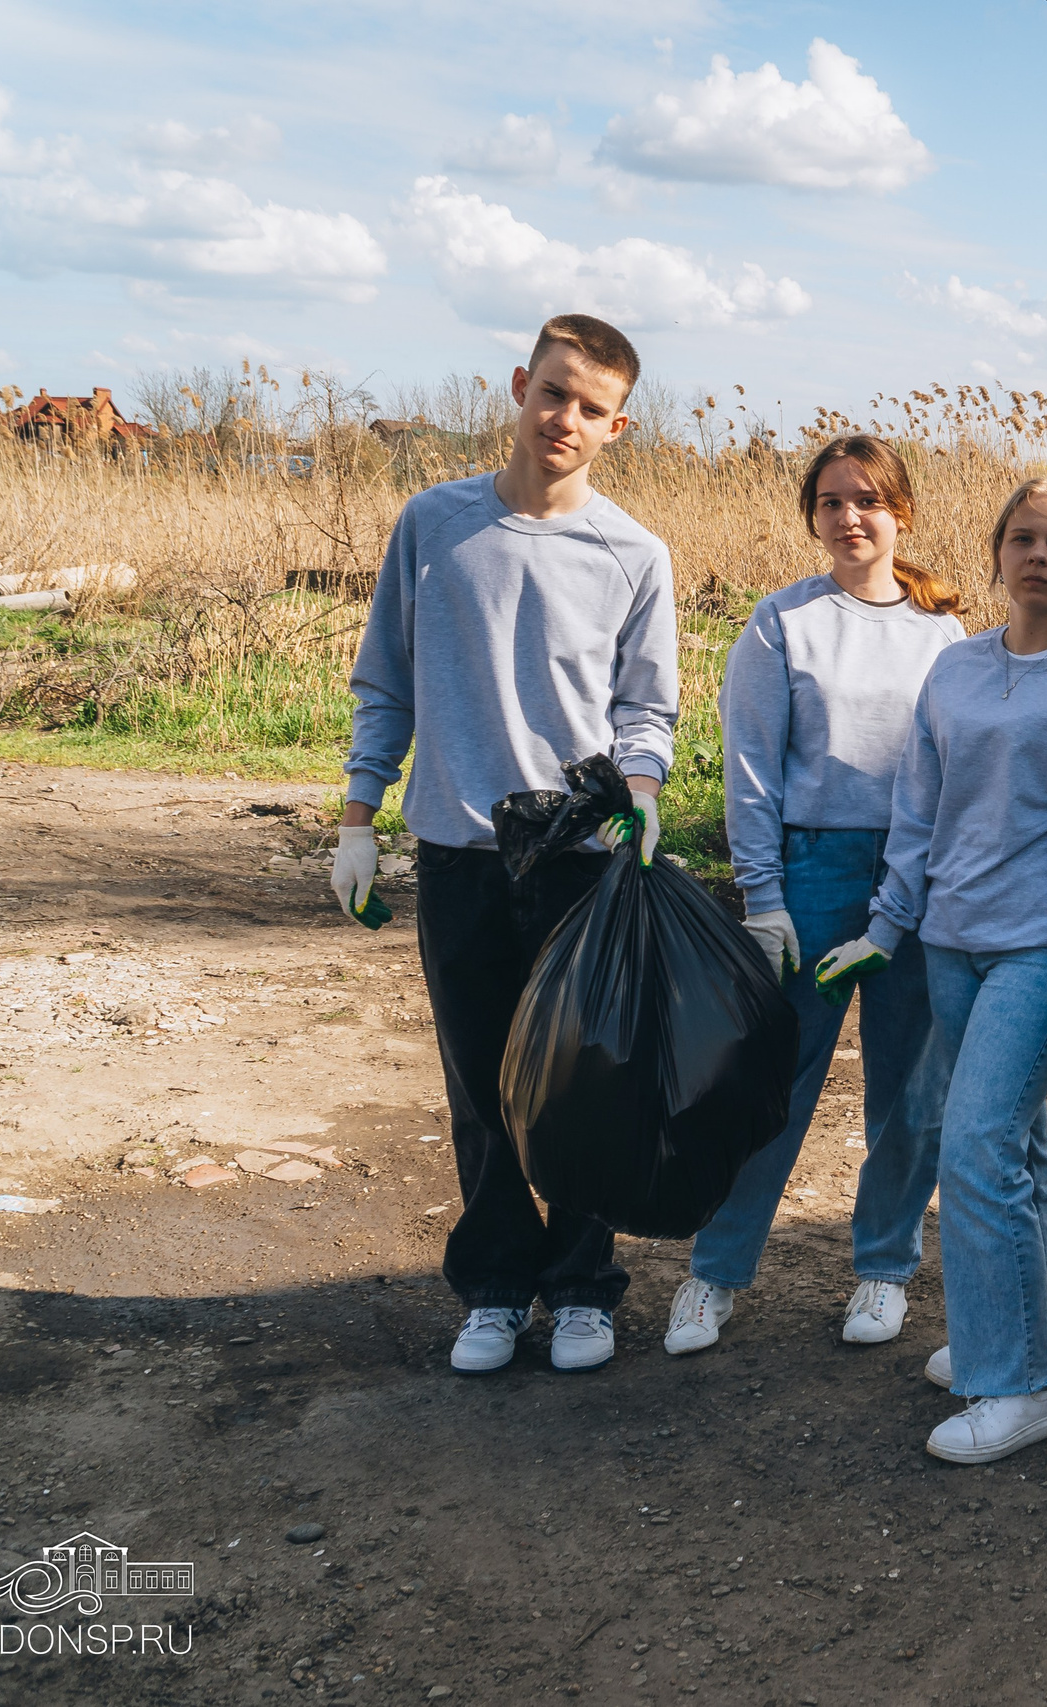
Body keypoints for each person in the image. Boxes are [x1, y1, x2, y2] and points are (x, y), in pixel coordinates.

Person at [335, 313, 677, 1377]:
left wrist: (645, 786)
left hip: (577, 855)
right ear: (520, 385)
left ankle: (581, 1287)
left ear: (617, 426)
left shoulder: (633, 553)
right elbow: (384, 678)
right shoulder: (433, 526)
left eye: (590, 406)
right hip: (457, 847)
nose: (564, 417)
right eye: (553, 392)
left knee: (581, 1082)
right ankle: (493, 1286)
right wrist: (357, 816)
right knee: (478, 1081)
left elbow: (644, 707)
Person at [814, 478, 1047, 1466]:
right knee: (1020, 1143)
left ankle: (1021, 1387)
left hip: (1037, 952)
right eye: (1021, 539)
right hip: (949, 943)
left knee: (975, 1144)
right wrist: (887, 925)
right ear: (996, 555)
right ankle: (1023, 1325)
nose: (1038, 555)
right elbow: (918, 812)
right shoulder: (954, 671)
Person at [663, 436, 966, 1359]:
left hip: (914, 874)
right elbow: (752, 769)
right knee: (774, 1084)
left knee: (909, 1091)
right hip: (811, 871)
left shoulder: (941, 632)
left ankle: (883, 1266)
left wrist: (921, 883)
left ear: (900, 512)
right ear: (813, 516)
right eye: (832, 502)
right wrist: (764, 895)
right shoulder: (783, 621)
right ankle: (715, 1274)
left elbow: (952, 768)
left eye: (868, 501)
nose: (850, 517)